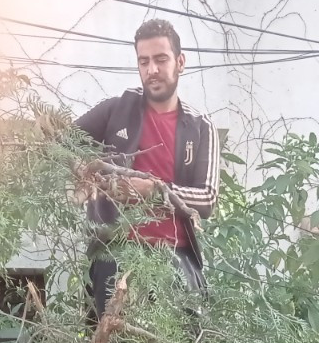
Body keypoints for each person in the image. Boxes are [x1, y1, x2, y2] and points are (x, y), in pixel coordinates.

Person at [74, 18, 220, 316]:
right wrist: (84, 172)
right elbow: (63, 142)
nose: (152, 69)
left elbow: (207, 200)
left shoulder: (201, 128)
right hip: (115, 252)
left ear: (180, 62)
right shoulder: (115, 110)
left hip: (174, 256)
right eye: (144, 61)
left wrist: (155, 189)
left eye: (160, 59)